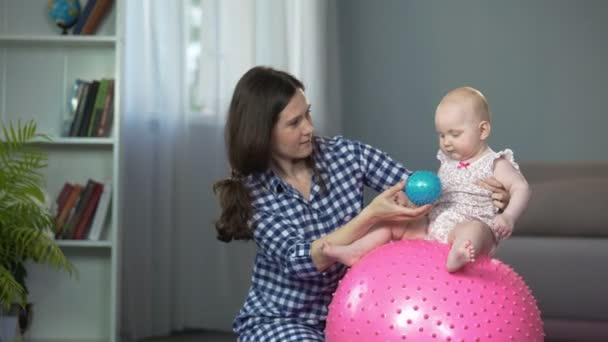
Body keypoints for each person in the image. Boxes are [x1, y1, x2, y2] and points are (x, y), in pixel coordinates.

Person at [213, 67, 510, 341]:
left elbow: (421, 191)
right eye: (294, 122)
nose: (308, 128)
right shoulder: (252, 193)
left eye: (308, 114)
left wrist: (484, 195)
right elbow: (304, 259)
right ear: (263, 131)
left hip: (355, 309)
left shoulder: (345, 155)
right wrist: (370, 216)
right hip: (281, 320)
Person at [322, 86, 531, 272]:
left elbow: (521, 187)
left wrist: (509, 216)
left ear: (483, 130)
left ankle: (459, 253)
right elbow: (437, 196)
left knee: (474, 230)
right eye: (441, 135)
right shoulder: (447, 161)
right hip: (433, 226)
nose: (447, 142)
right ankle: (356, 251)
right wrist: (411, 203)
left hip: (472, 225)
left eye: (455, 134)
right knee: (391, 224)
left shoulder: (494, 162)